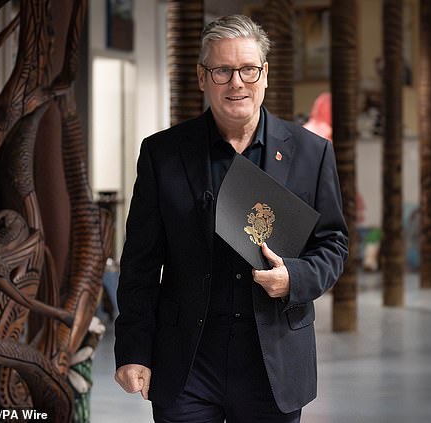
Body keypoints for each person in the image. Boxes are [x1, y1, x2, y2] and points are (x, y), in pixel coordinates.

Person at [114, 14, 348, 423]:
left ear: (265, 75)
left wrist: (295, 278)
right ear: (202, 76)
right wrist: (134, 350)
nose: (236, 82)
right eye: (222, 70)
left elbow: (333, 244)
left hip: (272, 361)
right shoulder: (163, 154)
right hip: (187, 362)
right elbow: (140, 264)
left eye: (248, 70)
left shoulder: (312, 155)